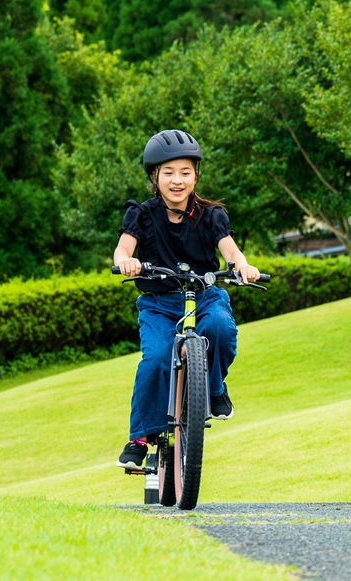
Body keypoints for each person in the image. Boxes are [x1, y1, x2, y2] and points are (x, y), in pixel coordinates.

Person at [113, 129, 261, 470]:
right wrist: (126, 260)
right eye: (168, 172)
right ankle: (139, 439)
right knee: (156, 359)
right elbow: (124, 246)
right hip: (159, 304)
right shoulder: (142, 215)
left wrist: (243, 266)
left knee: (220, 327)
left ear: (196, 175)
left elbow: (230, 250)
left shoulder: (211, 215)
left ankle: (213, 387)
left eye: (185, 172)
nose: (177, 180)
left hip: (204, 296)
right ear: (154, 177)